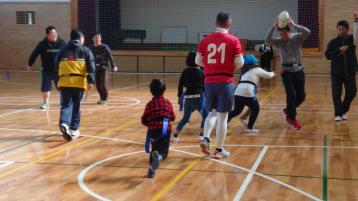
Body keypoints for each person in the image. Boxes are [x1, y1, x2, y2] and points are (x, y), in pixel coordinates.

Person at [196, 12, 244, 158]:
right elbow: (240, 62)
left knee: (212, 113)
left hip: (209, 81)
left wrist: (211, 67)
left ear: (215, 23)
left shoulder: (205, 40)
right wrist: (228, 68)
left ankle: (205, 137)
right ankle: (219, 150)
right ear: (229, 25)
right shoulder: (234, 40)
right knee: (223, 117)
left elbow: (198, 61)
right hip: (225, 82)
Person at [265, 17, 310, 130]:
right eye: (280, 33)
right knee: (291, 96)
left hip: (299, 70)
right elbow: (267, 39)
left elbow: (307, 32)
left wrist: (295, 25)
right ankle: (292, 119)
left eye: (284, 33)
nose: (282, 36)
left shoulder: (297, 37)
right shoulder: (279, 41)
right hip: (286, 72)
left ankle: (288, 110)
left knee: (301, 96)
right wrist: (273, 27)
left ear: (289, 31)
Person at [55, 29, 95, 140]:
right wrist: (91, 81)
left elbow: (56, 65)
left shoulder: (62, 50)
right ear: (80, 38)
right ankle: (73, 128)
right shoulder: (85, 50)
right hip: (79, 82)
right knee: (76, 106)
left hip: (65, 81)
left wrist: (58, 80)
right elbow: (91, 66)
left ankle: (64, 122)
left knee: (66, 104)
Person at [228, 55, 275, 132]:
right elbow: (268, 75)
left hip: (237, 92)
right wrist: (273, 72)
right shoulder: (256, 69)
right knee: (256, 108)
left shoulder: (244, 71)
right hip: (247, 92)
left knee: (237, 110)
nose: (257, 62)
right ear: (253, 62)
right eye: (255, 61)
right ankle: (249, 128)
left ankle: (224, 122)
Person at [325, 12, 358, 122]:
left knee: (352, 91)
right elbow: (327, 55)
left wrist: (356, 21)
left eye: (343, 29)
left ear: (347, 29)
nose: (341, 31)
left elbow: (357, 34)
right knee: (336, 94)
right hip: (336, 74)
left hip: (350, 72)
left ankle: (343, 110)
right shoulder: (333, 42)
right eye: (339, 29)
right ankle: (338, 114)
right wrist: (338, 50)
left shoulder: (352, 40)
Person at [141, 79, 175, 178]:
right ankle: (159, 157)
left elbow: (144, 120)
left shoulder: (149, 104)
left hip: (153, 130)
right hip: (165, 130)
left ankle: (151, 170)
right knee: (164, 151)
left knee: (154, 149)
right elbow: (172, 117)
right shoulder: (168, 103)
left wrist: (150, 124)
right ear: (164, 90)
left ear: (151, 91)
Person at [172, 51, 208, 142]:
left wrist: (179, 96)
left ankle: (175, 135)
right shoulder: (201, 72)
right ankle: (201, 135)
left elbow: (180, 85)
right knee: (206, 115)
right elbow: (205, 86)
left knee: (185, 118)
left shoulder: (184, 72)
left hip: (187, 98)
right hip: (198, 97)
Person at [27, 26, 66, 109]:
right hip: (46, 70)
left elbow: (67, 53)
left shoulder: (62, 43)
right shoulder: (42, 44)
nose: (54, 35)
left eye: (55, 33)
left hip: (59, 70)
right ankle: (46, 102)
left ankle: (63, 101)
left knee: (61, 87)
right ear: (47, 35)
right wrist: (30, 64)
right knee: (45, 87)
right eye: (52, 33)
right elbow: (34, 54)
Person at [90, 33, 118, 104]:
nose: (97, 39)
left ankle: (105, 98)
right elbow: (88, 58)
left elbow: (110, 57)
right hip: (95, 68)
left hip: (104, 67)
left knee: (103, 83)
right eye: (96, 38)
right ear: (93, 39)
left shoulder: (105, 47)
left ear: (100, 39)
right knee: (98, 85)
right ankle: (101, 97)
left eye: (99, 37)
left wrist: (113, 66)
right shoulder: (91, 48)